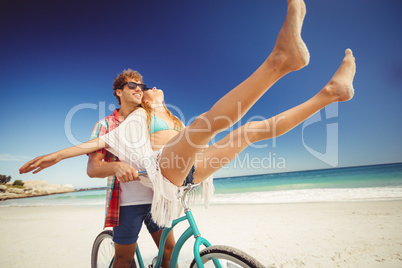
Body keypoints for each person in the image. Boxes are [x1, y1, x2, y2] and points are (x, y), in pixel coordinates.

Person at [19, 0, 356, 227]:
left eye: (145, 85)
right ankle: (280, 61)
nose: (143, 89)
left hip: (189, 173)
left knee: (251, 130)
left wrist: (161, 104)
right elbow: (93, 145)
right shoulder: (133, 119)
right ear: (121, 93)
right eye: (136, 87)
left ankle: (329, 94)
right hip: (163, 174)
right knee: (202, 125)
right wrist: (55, 155)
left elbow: (185, 136)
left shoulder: (165, 113)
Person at [88, 70, 177, 268]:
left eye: (141, 86)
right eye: (132, 85)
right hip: (127, 203)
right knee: (124, 260)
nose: (139, 89)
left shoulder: (150, 119)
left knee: (170, 252)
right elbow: (93, 169)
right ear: (119, 92)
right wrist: (117, 166)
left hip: (157, 196)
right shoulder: (105, 125)